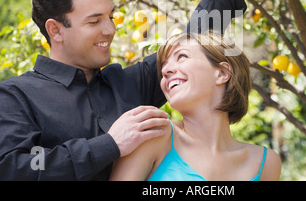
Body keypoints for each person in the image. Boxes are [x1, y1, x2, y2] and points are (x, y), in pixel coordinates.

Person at [0, 0, 265, 180]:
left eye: (110, 17)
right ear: (55, 30)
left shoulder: (128, 85)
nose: (110, 29)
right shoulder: (15, 96)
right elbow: (8, 169)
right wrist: (109, 144)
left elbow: (195, 38)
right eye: (94, 21)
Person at [109, 32, 281, 181]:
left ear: (222, 73)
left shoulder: (265, 163)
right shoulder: (152, 134)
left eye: (182, 56)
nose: (165, 71)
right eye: (163, 65)